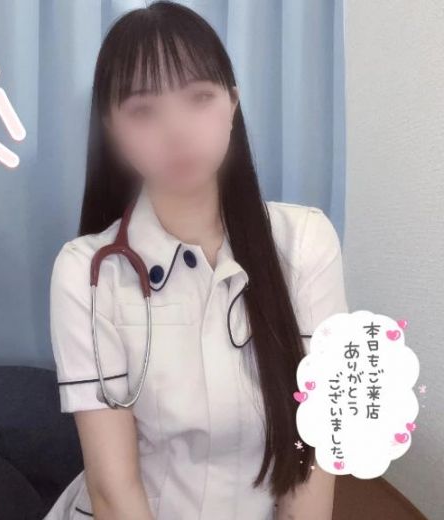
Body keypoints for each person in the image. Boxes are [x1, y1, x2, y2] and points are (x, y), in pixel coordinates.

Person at [44, 2, 348, 519]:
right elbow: (114, 491)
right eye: (144, 110)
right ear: (112, 129)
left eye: (199, 98)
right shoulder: (85, 272)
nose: (177, 130)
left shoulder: (304, 243)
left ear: (232, 104)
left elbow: (314, 447)